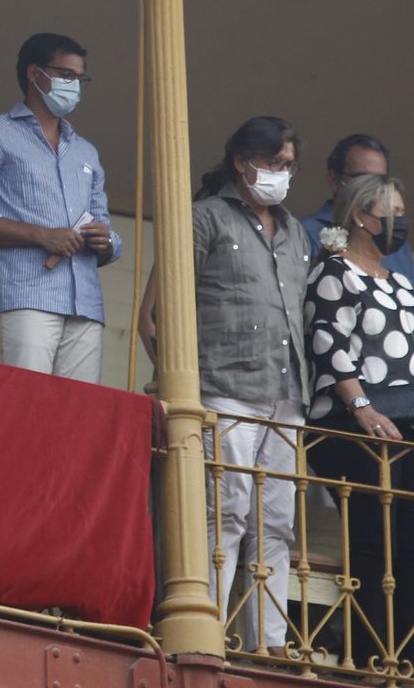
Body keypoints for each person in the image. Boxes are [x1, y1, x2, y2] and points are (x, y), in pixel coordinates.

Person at [146, 116, 309, 656]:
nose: (283, 174)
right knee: (226, 511)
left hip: (287, 394)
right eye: (274, 163)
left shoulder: (295, 231)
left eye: (289, 166)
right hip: (224, 388)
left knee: (277, 522)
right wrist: (180, 387)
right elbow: (158, 315)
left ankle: (270, 642)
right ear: (243, 163)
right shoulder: (204, 218)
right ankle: (207, 629)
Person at [0, 32, 120, 382]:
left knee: (79, 408)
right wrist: (42, 236)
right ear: (34, 74)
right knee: (28, 401)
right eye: (66, 75)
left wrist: (106, 241)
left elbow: (105, 226)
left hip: (86, 303)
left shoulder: (86, 151)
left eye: (80, 78)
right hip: (28, 296)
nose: (74, 85)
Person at [304, 173, 414, 668]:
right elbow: (328, 343)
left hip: (405, 426)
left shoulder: (403, 283)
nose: (399, 222)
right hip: (354, 426)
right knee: (374, 540)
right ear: (359, 216)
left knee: (408, 543)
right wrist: (363, 408)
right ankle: (372, 658)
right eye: (391, 213)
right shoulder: (334, 271)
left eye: (402, 213)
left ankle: (404, 659)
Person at [300, 134, 413, 282]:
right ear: (334, 180)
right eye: (363, 178)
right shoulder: (304, 233)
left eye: (380, 179)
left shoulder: (398, 244)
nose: (374, 187)